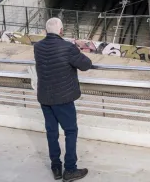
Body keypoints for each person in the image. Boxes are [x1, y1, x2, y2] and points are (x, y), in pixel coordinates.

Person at [34, 18, 92, 181]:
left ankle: (56, 167)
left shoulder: (38, 47)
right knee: (71, 131)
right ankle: (70, 169)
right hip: (64, 98)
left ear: (46, 31)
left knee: (52, 132)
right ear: (61, 31)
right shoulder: (68, 48)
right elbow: (86, 65)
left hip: (45, 97)